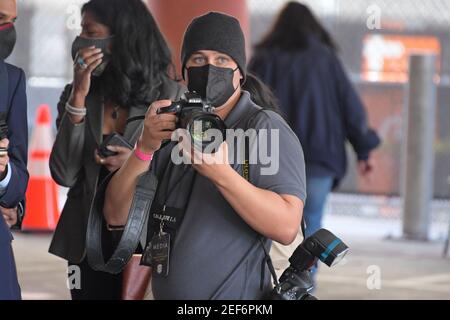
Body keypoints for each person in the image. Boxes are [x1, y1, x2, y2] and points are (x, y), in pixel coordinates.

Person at [101, 12, 307, 300]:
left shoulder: (262, 127)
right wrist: (144, 149)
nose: (209, 68)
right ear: (184, 72)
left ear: (240, 72)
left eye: (222, 59)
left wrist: (222, 175)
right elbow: (115, 214)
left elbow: (286, 226)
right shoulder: (171, 127)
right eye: (198, 59)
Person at [48, 0, 184, 300]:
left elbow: (184, 173)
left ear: (120, 38)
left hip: (144, 237)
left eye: (90, 31)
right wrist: (78, 97)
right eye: (80, 30)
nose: (81, 40)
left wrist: (140, 161)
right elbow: (64, 173)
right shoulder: (77, 95)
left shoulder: (170, 96)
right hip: (86, 238)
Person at [249, 2, 380, 262]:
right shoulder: (326, 59)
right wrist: (364, 151)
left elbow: (247, 102)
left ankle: (267, 285)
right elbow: (351, 108)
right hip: (319, 158)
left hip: (273, 157)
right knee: (311, 231)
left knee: (267, 226)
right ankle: (302, 286)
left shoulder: (265, 58)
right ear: (314, 27)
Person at [0, 0, 29, 300]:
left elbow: (19, 179)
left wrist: (4, 172)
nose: (6, 31)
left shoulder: (11, 81)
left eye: (12, 21)